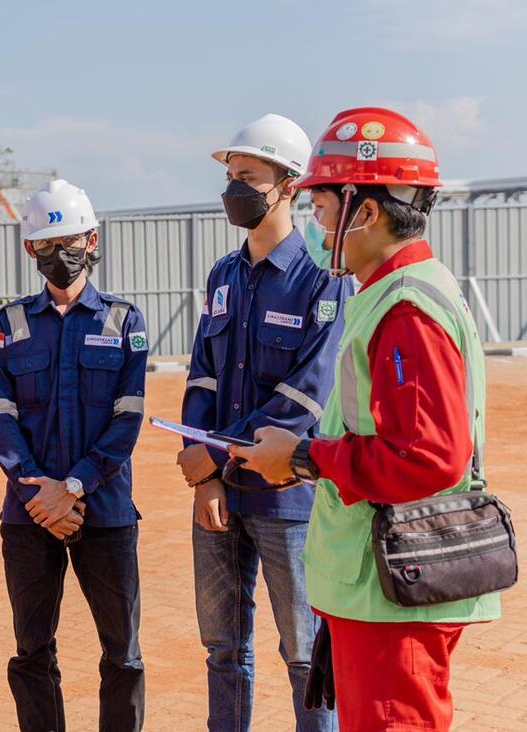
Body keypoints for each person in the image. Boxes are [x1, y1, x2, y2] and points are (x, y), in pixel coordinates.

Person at [230, 107, 501, 732]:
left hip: (393, 590)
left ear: (368, 211)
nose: (319, 229)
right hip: (380, 582)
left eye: (323, 211)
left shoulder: (407, 310)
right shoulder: (394, 292)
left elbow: (428, 458)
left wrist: (303, 457)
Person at [178, 114, 349, 731]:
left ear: (290, 187)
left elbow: (307, 395)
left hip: (288, 500)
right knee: (223, 652)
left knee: (305, 655)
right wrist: (205, 475)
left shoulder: (324, 280)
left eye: (248, 176)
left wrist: (216, 452)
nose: (234, 188)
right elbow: (202, 374)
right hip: (220, 496)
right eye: (231, 176)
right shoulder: (223, 275)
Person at [0, 178, 149, 731]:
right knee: (32, 651)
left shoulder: (124, 320)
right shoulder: (9, 323)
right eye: (47, 245)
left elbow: (127, 418)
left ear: (92, 240)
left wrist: (74, 486)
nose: (60, 254)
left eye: (71, 241)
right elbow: (1, 416)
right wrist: (39, 491)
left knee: (122, 653)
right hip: (29, 513)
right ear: (30, 249)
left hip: (105, 510)